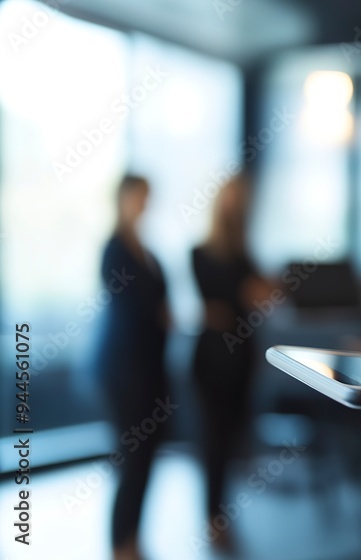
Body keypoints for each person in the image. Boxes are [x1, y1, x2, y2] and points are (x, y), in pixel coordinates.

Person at [191, 173, 270, 552]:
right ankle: (212, 516)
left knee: (232, 438)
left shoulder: (244, 255)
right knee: (214, 440)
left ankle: (220, 513)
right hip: (211, 360)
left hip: (240, 359)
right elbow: (218, 307)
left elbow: (256, 301)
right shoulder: (201, 253)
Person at [96, 175, 170, 560]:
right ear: (123, 198)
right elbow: (132, 307)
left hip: (151, 370)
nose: (144, 204)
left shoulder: (148, 252)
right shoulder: (115, 250)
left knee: (147, 457)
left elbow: (160, 304)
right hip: (124, 373)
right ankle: (119, 541)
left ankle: (134, 538)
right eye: (140, 197)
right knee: (131, 456)